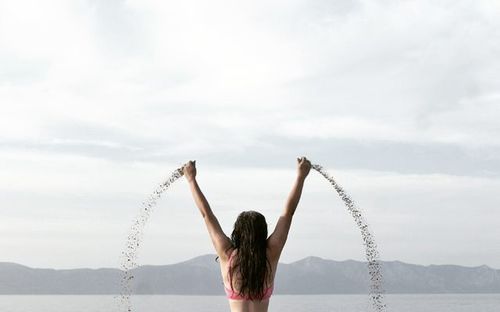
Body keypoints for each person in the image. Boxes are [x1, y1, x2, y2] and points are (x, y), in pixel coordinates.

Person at [182, 157, 312, 312]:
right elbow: (288, 213)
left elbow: (206, 214)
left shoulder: (227, 254)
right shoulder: (270, 254)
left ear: (237, 232)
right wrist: (301, 177)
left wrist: (191, 180)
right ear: (263, 233)